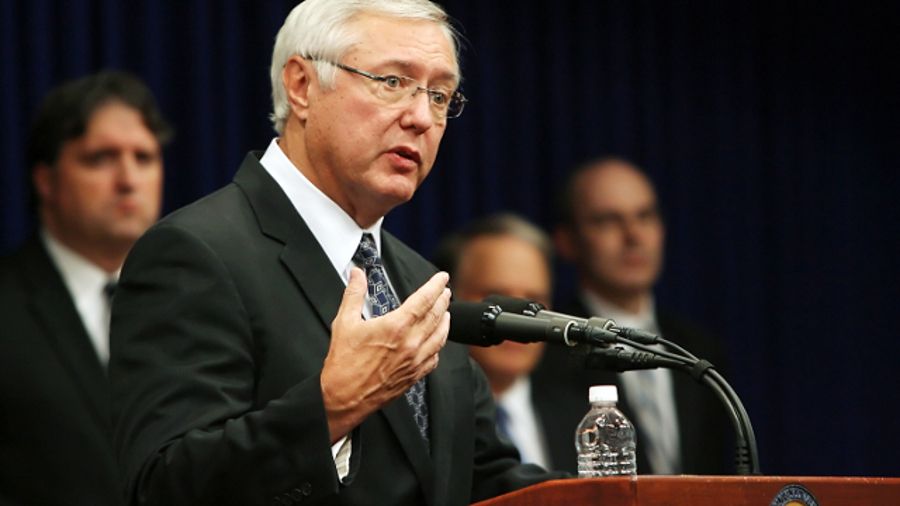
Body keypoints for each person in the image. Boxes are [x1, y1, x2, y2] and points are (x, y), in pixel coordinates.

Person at [108, 1, 564, 505]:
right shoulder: (196, 253)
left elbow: (478, 478)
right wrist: (330, 407)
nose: (420, 117)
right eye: (392, 82)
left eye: (439, 95)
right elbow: (162, 486)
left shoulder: (420, 282)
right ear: (302, 86)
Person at [0, 70, 172, 506]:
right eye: (100, 158)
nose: (128, 180)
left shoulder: (195, 301)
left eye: (144, 157)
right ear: (45, 180)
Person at [536, 156, 730, 475]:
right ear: (567, 241)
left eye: (645, 216)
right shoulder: (549, 349)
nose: (633, 235)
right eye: (608, 220)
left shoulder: (700, 350)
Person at [433, 212, 559, 469]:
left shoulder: (583, 408)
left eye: (534, 302)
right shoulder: (426, 414)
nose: (520, 320)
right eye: (498, 300)